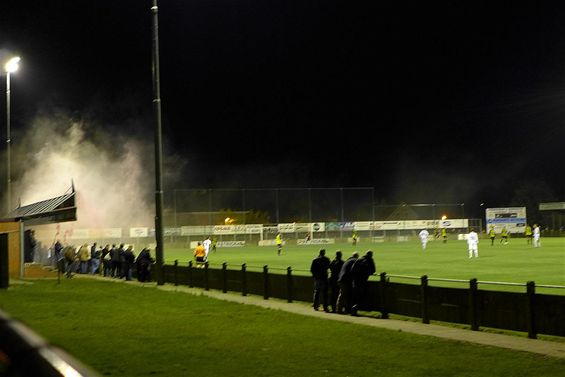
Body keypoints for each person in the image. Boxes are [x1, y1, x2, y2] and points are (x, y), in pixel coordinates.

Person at [350, 250, 376, 316]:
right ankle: (355, 308)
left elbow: (352, 269)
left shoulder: (359, 259)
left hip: (355, 280)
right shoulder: (369, 260)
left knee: (355, 296)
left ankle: (353, 310)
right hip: (362, 281)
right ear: (371, 255)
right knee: (361, 296)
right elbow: (373, 270)